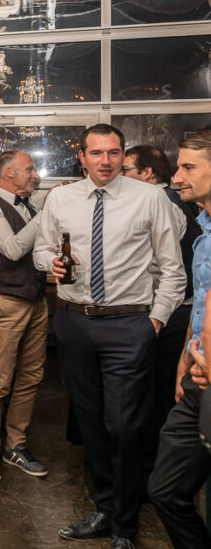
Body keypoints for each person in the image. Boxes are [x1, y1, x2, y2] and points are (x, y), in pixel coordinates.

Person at [34, 123, 184, 549]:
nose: (105, 161)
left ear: (122, 156)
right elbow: (42, 248)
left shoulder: (151, 198)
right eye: (96, 153)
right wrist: (52, 265)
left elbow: (172, 270)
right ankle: (104, 508)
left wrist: (152, 323)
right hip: (74, 321)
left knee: (125, 425)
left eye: (114, 153)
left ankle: (125, 526)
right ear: (81, 156)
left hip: (129, 325)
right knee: (91, 422)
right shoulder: (60, 198)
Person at [147, 130, 211, 548]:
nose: (177, 178)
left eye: (189, 167)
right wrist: (185, 357)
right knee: (165, 489)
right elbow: (201, 296)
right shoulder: (204, 228)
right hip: (197, 375)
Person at [123, 144, 200, 485]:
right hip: (174, 312)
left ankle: (148, 473)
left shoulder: (162, 203)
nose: (120, 175)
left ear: (146, 174)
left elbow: (162, 265)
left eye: (126, 169)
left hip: (167, 312)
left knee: (154, 396)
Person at [0, 151, 48, 483]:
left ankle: (15, 445)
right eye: (29, 169)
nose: (34, 174)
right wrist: (48, 215)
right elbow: (15, 248)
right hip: (4, 303)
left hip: (36, 301)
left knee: (31, 377)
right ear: (8, 174)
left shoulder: (30, 207)